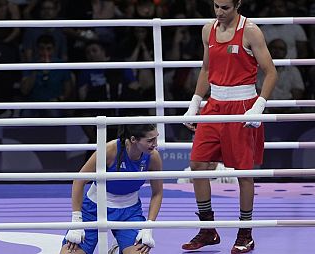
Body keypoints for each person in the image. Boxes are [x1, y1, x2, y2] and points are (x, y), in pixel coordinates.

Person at [181, 0, 277, 253]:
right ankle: (207, 230)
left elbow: (271, 72)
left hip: (242, 104)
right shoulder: (207, 30)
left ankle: (246, 233)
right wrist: (195, 103)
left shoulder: (251, 30)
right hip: (214, 105)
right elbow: (206, 68)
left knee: (244, 172)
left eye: (225, 7)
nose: (219, 12)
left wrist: (259, 105)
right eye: (216, 7)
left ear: (238, 5)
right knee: (198, 165)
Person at [59, 124, 163, 254]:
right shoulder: (110, 150)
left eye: (156, 138)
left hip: (129, 212)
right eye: (150, 140)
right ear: (133, 139)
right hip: (93, 208)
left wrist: (149, 226)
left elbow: (157, 193)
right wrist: (76, 221)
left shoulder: (153, 157)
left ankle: (118, 248)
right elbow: (79, 180)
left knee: (140, 253)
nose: (155, 144)